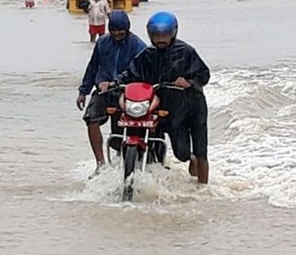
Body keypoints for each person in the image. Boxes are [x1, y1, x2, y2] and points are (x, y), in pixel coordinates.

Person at [112, 11, 211, 184]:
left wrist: (188, 82)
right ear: (150, 35)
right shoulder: (147, 55)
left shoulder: (186, 52)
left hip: (192, 107)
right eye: (156, 35)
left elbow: (204, 74)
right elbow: (130, 74)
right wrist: (115, 83)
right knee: (179, 151)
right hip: (166, 108)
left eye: (164, 35)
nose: (160, 39)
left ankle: (203, 190)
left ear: (173, 33)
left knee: (199, 150)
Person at [76, 11, 148, 178]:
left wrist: (117, 82)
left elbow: (140, 72)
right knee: (91, 119)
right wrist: (83, 91)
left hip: (127, 92)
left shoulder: (138, 46)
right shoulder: (102, 43)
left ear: (127, 29)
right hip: (103, 90)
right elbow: (93, 67)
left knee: (121, 131)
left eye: (120, 31)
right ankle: (100, 163)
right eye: (113, 30)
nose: (116, 34)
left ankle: (129, 160)